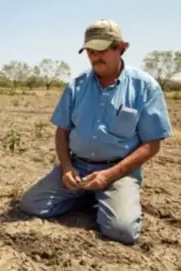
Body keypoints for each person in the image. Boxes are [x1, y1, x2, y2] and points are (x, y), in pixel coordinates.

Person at [19, 19, 173, 245]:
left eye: (101, 49)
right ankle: (88, 196)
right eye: (90, 50)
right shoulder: (76, 85)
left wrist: (108, 175)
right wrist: (67, 167)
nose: (95, 56)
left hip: (118, 172)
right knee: (31, 204)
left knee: (122, 231)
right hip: (78, 167)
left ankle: (109, 197)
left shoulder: (145, 87)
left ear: (120, 47)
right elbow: (62, 132)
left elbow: (152, 144)